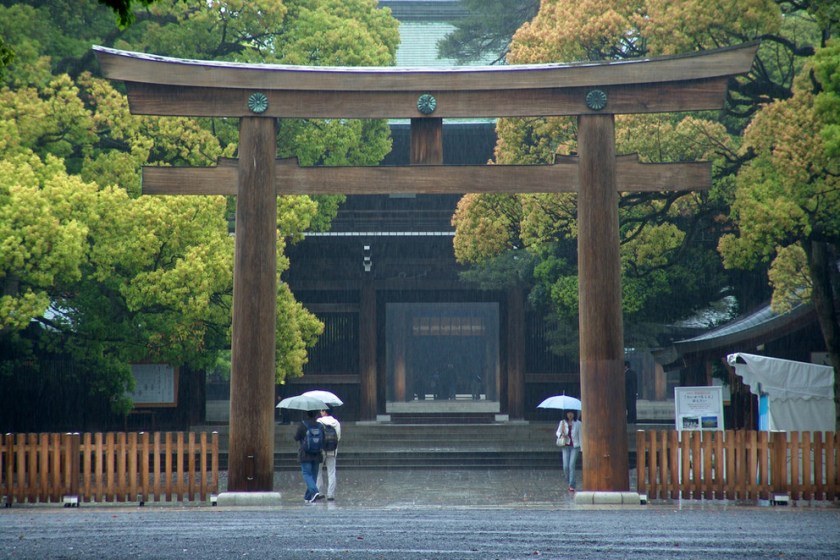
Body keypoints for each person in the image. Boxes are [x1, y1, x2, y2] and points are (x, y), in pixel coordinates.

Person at [294, 410, 323, 503]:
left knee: (307, 474)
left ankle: (314, 492)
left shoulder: (303, 425)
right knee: (313, 475)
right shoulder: (320, 426)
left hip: (305, 454)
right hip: (317, 454)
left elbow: (296, 437)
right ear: (316, 414)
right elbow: (324, 439)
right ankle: (308, 496)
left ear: (307, 414)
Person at [316, 407, 341, 501]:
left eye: (322, 410)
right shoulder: (336, 423)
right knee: (331, 472)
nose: (320, 412)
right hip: (333, 450)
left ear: (325, 412)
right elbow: (338, 437)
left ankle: (320, 492)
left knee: (318, 472)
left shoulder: (319, 422)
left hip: (321, 450)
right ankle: (330, 494)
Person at [556, 409, 582, 492]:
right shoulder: (563, 422)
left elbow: (580, 435)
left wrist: (582, 447)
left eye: (571, 413)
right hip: (565, 445)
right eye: (568, 413)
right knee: (565, 466)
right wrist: (561, 434)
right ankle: (569, 481)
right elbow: (557, 432)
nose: (570, 415)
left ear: (574, 414)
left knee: (571, 465)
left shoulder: (578, 424)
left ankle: (572, 485)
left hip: (575, 446)